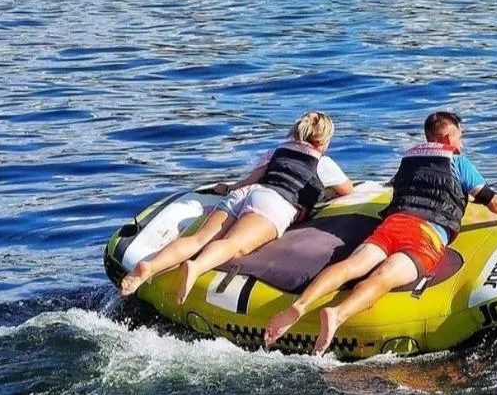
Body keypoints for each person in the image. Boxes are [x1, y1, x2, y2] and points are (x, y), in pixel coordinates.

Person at [263, 111, 497, 355]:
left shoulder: (409, 158)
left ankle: (299, 306)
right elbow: (496, 203)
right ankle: (338, 314)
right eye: (460, 135)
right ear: (450, 135)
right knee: (383, 278)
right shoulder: (459, 162)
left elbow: (397, 188)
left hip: (394, 223)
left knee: (351, 266)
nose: (462, 141)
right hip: (426, 234)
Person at [119, 111, 353, 303]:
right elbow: (347, 190)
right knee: (234, 244)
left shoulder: (277, 152)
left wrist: (227, 188)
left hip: (247, 193)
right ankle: (196, 266)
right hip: (275, 204)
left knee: (200, 239)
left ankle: (149, 267)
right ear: (323, 141)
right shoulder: (323, 163)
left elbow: (250, 181)